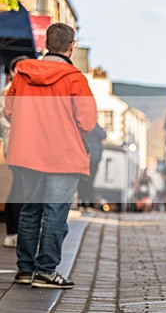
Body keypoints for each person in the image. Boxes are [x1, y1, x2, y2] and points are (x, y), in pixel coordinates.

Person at [3, 23, 97, 289]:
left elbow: (9, 111)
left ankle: (24, 270)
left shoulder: (23, 74)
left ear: (46, 44)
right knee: (55, 212)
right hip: (63, 156)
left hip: (28, 154)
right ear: (71, 46)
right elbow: (87, 121)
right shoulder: (75, 78)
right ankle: (46, 271)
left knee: (30, 210)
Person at [2, 56, 25, 248]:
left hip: (21, 146)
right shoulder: (6, 94)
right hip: (17, 146)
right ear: (11, 73)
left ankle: (14, 232)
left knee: (19, 188)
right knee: (20, 188)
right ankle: (14, 231)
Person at [78, 123, 106, 209]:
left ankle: (82, 201)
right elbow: (104, 135)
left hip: (83, 156)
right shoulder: (93, 124)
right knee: (90, 181)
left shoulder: (81, 123)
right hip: (94, 158)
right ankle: (89, 202)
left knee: (82, 180)